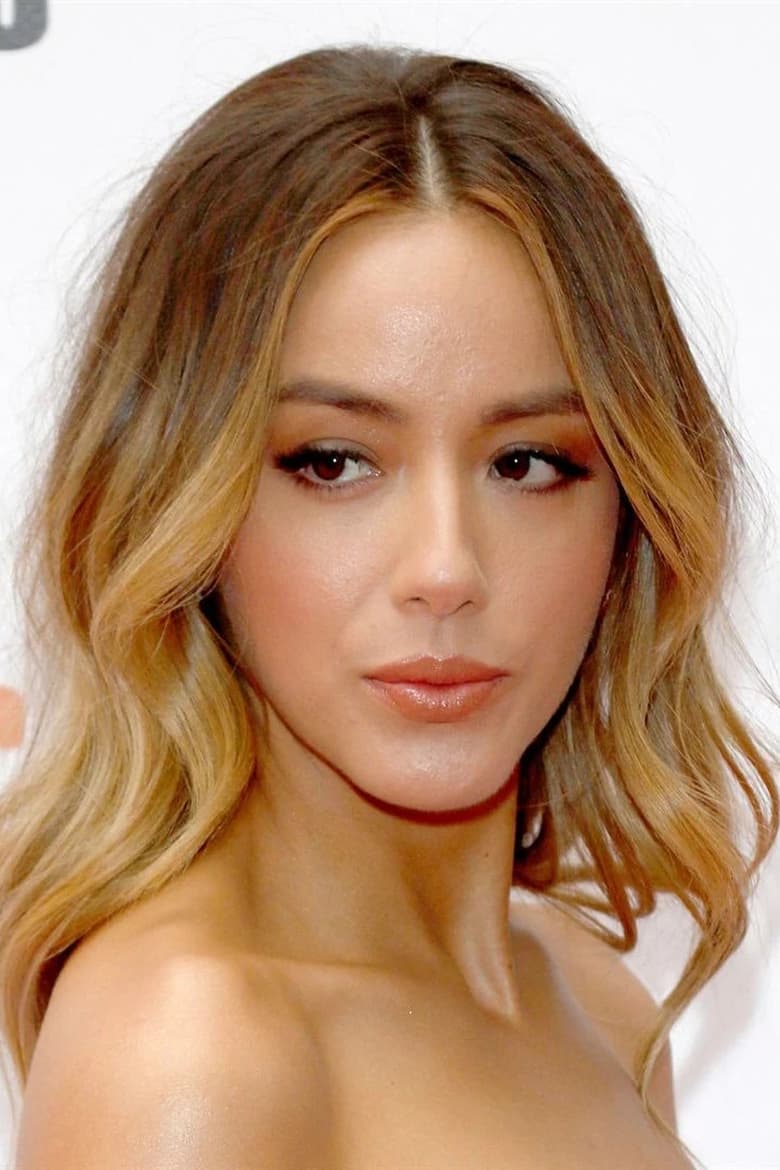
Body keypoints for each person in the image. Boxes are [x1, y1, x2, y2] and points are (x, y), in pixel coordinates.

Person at [0, 43, 776, 1170]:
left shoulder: (600, 1008)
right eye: (332, 462)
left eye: (527, 463)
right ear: (183, 508)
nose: (446, 569)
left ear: (631, 519)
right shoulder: (194, 1053)